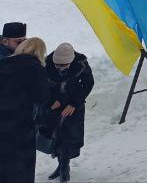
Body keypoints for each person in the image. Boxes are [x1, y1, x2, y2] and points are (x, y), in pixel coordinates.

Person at [40, 43, 93, 183]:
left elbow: (88, 83)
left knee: (69, 138)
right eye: (57, 65)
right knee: (56, 138)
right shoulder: (47, 64)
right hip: (55, 108)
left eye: (64, 66)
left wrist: (75, 103)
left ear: (71, 61)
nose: (59, 68)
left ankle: (64, 167)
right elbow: (41, 86)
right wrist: (50, 102)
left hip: (73, 108)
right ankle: (61, 165)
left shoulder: (81, 63)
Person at [0, 37, 51, 183]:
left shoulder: (3, 63)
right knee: (20, 168)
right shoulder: (35, 68)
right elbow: (41, 97)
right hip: (19, 126)